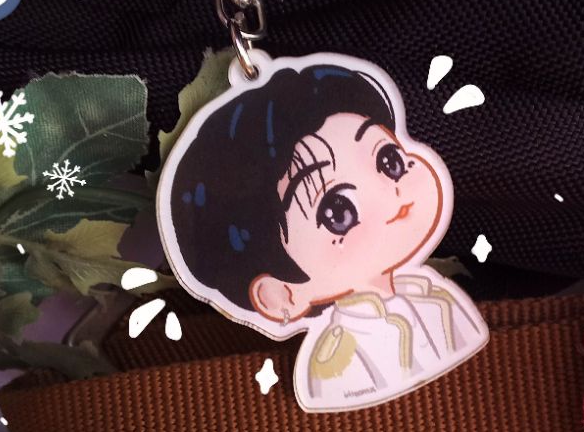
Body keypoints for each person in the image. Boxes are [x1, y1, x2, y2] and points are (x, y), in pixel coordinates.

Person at [158, 55, 489, 411]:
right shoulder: (336, 362)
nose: (387, 192)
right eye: (338, 212)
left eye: (389, 161)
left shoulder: (432, 293)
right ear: (280, 294)